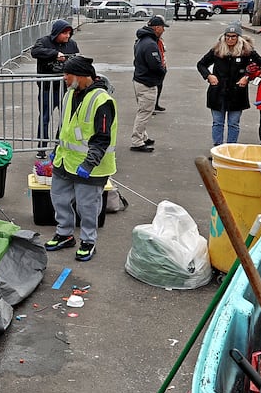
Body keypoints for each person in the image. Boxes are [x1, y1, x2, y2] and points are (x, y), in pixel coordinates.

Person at [44, 55, 116, 263]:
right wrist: (57, 148)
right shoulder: (69, 94)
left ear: (82, 76)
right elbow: (65, 126)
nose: (64, 77)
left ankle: (88, 241)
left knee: (87, 206)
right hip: (65, 160)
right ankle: (65, 233)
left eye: (68, 74)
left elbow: (102, 138)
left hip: (89, 167)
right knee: (59, 198)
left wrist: (89, 163)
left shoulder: (102, 101)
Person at [195, 25, 260, 146]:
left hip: (237, 93)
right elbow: (201, 64)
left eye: (233, 37)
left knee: (233, 123)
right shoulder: (217, 50)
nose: (230, 39)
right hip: (218, 92)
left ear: (239, 38)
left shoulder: (247, 51)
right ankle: (218, 148)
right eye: (227, 36)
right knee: (217, 122)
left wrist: (247, 77)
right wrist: (209, 76)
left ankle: (231, 148)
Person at [30, 19, 80, 139]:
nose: (67, 36)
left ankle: (59, 143)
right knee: (44, 118)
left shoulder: (72, 44)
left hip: (66, 89)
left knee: (66, 117)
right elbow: (35, 51)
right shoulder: (43, 42)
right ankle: (42, 145)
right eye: (64, 33)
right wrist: (54, 54)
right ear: (57, 33)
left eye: (69, 33)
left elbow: (76, 60)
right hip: (47, 88)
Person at [129, 16, 166, 152]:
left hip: (139, 79)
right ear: (156, 28)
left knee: (143, 110)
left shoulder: (141, 40)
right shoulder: (150, 44)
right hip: (147, 82)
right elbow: (155, 65)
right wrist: (162, 72)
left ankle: (143, 136)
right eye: (162, 27)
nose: (163, 30)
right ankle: (137, 141)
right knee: (144, 112)